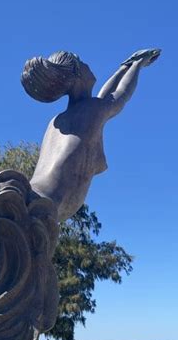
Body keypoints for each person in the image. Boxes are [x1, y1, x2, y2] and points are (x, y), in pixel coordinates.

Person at [21, 49, 161, 221]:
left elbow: (103, 99)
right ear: (78, 72)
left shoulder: (57, 121)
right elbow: (119, 96)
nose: (89, 65)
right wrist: (138, 65)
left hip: (35, 194)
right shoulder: (91, 111)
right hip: (46, 204)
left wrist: (125, 66)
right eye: (83, 63)